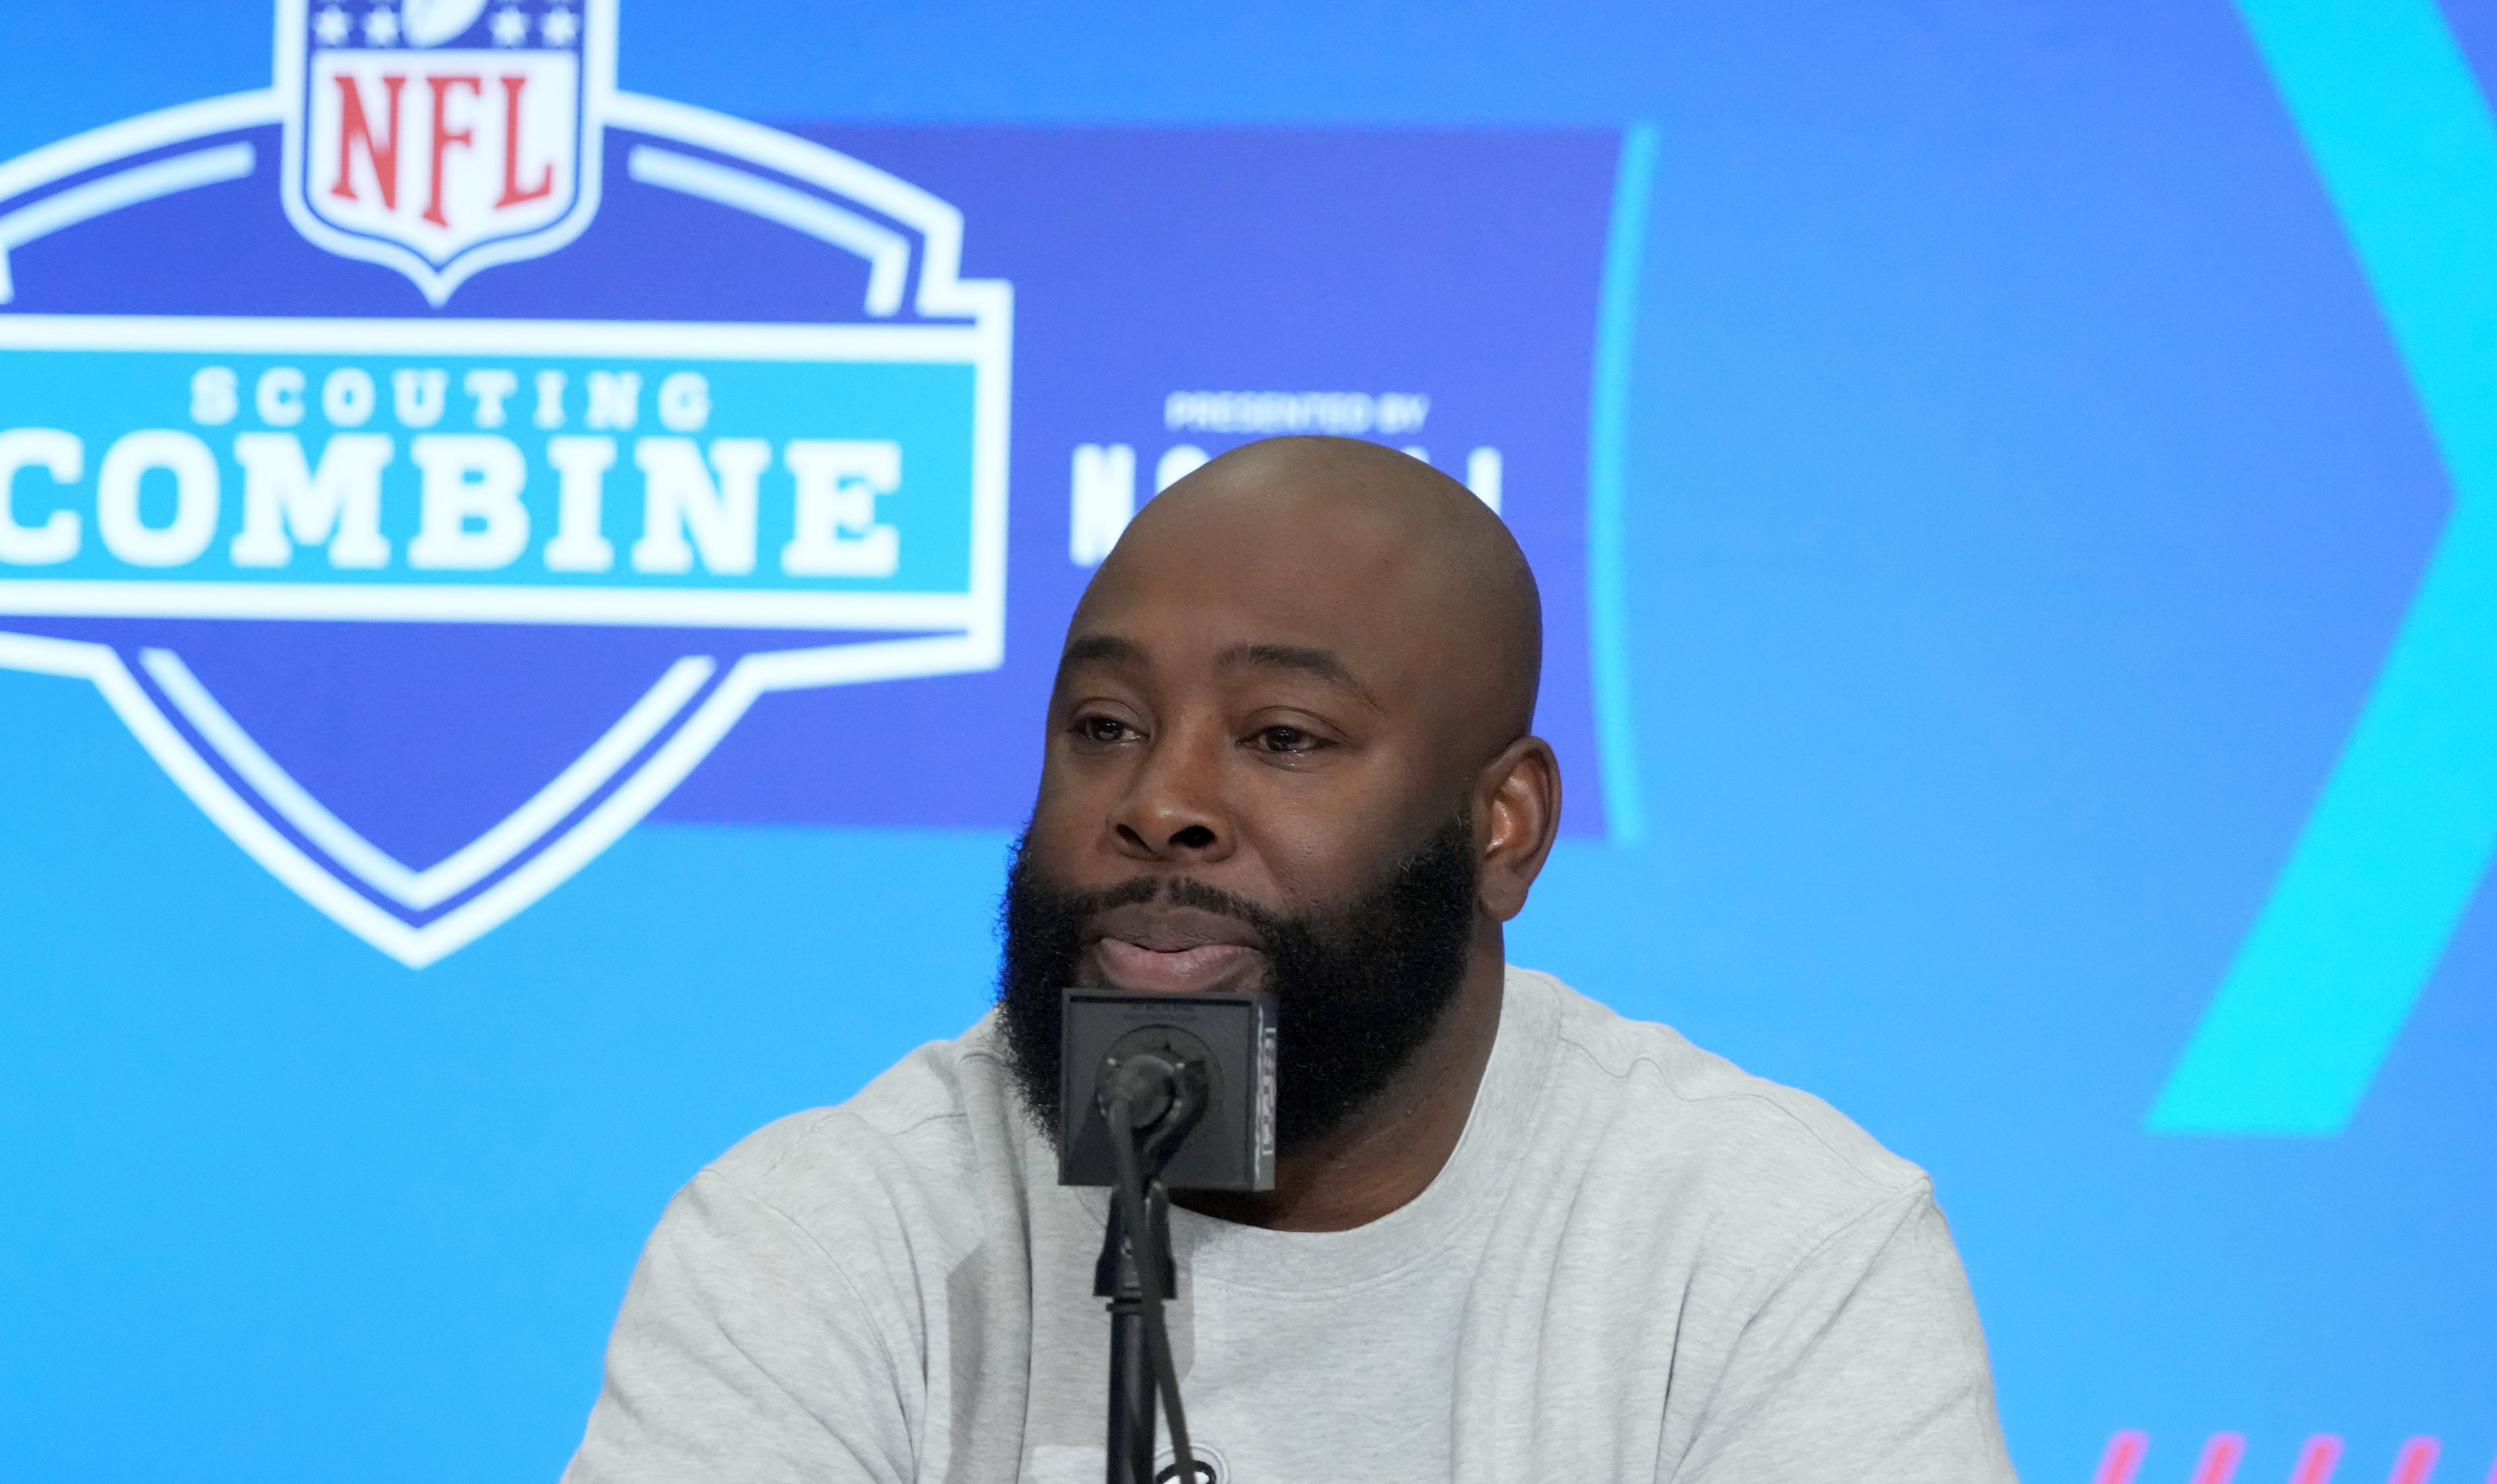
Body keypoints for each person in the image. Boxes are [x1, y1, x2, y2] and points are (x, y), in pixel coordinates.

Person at [562, 436, 2016, 1484]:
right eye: (1105, 729)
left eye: (1283, 740)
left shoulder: (1766, 1250)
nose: (1158, 805)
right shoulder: (831, 1235)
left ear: (1502, 827)